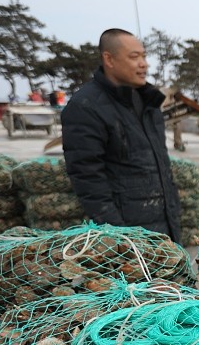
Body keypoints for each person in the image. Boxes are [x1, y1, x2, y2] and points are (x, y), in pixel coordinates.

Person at [61, 28, 182, 243]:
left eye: (144, 56)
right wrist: (119, 236)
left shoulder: (149, 103)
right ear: (109, 59)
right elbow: (87, 178)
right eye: (134, 57)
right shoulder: (86, 107)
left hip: (165, 228)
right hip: (127, 233)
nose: (143, 64)